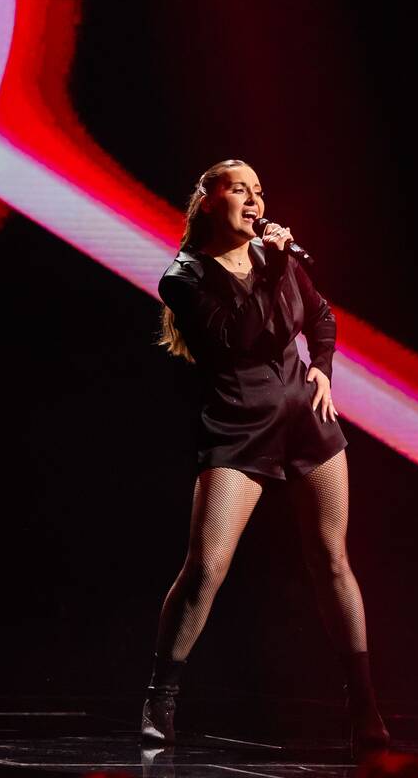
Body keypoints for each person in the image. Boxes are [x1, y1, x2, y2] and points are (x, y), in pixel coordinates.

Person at [145, 158, 390, 758]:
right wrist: (274, 265)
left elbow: (321, 316)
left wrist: (322, 369)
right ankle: (161, 695)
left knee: (332, 560)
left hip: (307, 420)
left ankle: (364, 707)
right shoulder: (184, 277)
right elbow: (239, 336)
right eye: (241, 189)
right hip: (239, 427)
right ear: (209, 199)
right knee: (206, 567)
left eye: (259, 190)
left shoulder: (273, 258)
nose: (255, 201)